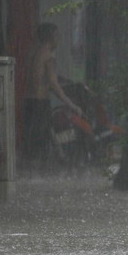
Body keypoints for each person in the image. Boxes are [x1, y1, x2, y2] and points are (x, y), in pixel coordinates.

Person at [21, 22, 82, 165]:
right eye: (57, 36)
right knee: (43, 142)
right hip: (40, 103)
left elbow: (37, 76)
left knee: (30, 141)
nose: (59, 40)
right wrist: (72, 105)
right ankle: (43, 171)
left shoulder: (31, 54)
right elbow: (53, 85)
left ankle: (32, 172)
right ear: (51, 37)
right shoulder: (48, 57)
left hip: (28, 103)